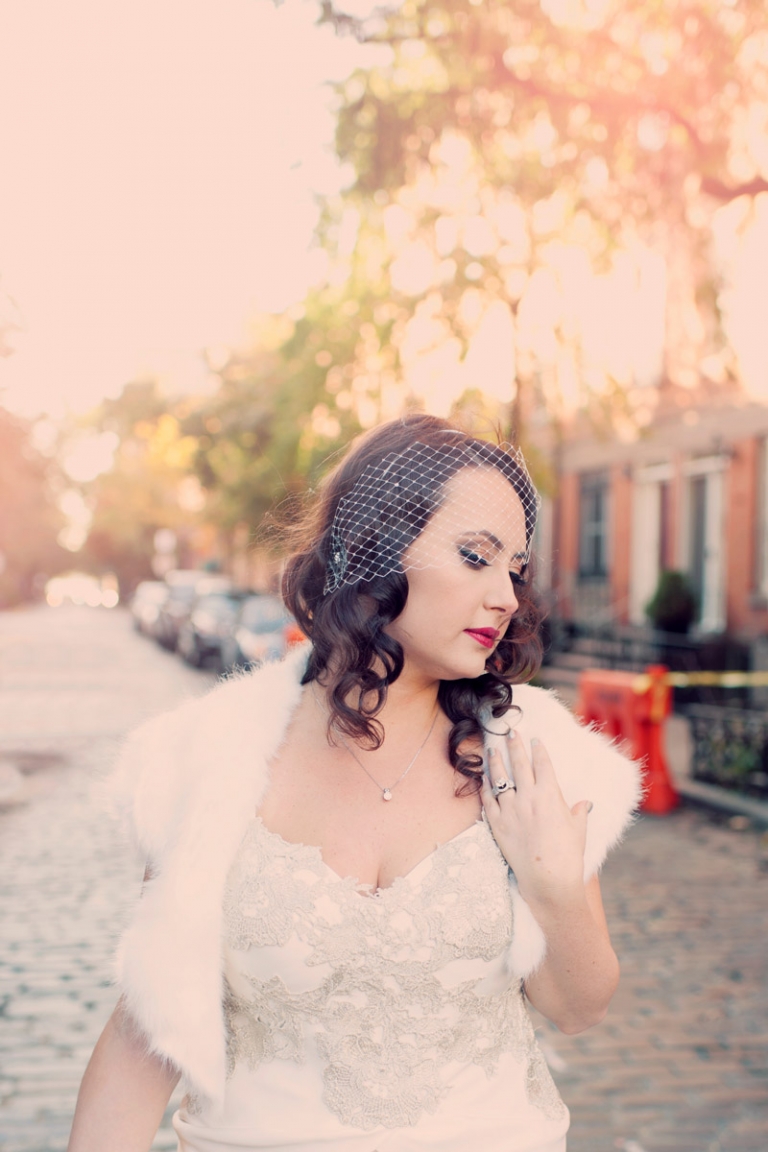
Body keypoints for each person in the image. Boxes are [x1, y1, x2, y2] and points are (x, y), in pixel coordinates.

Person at [69, 414, 642, 1152]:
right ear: (370, 547)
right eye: (475, 557)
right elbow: (147, 1032)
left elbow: (576, 1006)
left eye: (516, 569)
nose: (506, 595)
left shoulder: (533, 753)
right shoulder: (210, 757)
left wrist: (557, 888)